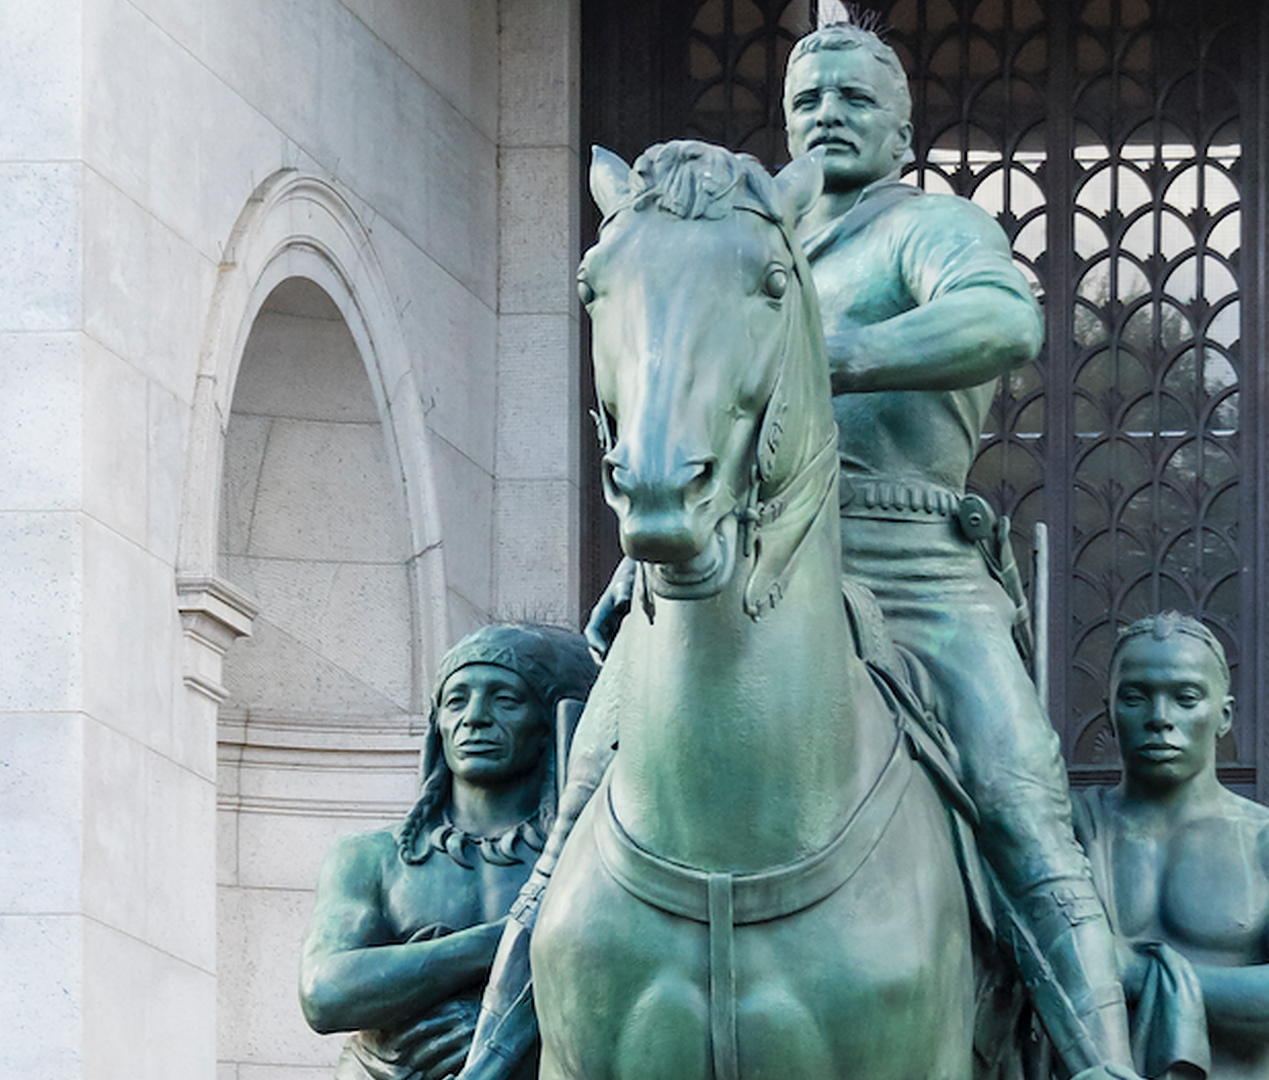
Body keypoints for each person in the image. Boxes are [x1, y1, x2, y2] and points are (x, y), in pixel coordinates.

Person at [463, 10, 1137, 1080]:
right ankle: (491, 1059)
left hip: (907, 562)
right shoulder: (741, 240)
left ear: (903, 131)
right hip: (731, 561)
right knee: (575, 816)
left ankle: (1104, 1062)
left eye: (857, 97)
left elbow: (1004, 321)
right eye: (808, 99)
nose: (830, 113)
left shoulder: (929, 229)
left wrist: (823, 354)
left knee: (1022, 805)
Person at [300, 623, 597, 1080]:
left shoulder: (589, 860)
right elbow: (325, 993)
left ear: (549, 724)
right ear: (437, 724)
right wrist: (510, 939)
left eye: (506, 700)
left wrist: (508, 1027)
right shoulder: (370, 856)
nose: (474, 718)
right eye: (457, 700)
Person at [1072, 613, 1269, 1080]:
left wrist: (1134, 974)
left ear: (1224, 715)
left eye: (1185, 698)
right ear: (1110, 712)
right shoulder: (1064, 834)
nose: (1160, 718)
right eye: (1136, 697)